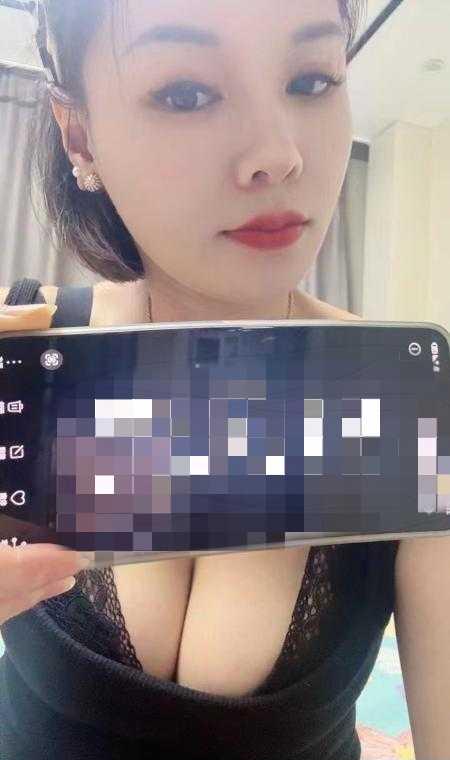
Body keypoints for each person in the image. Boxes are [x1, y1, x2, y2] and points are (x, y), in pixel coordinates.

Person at [1, 2, 448, 759]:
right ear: (79, 135)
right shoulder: (23, 357)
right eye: (186, 93)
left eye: (311, 80)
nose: (279, 155)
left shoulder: (409, 400)